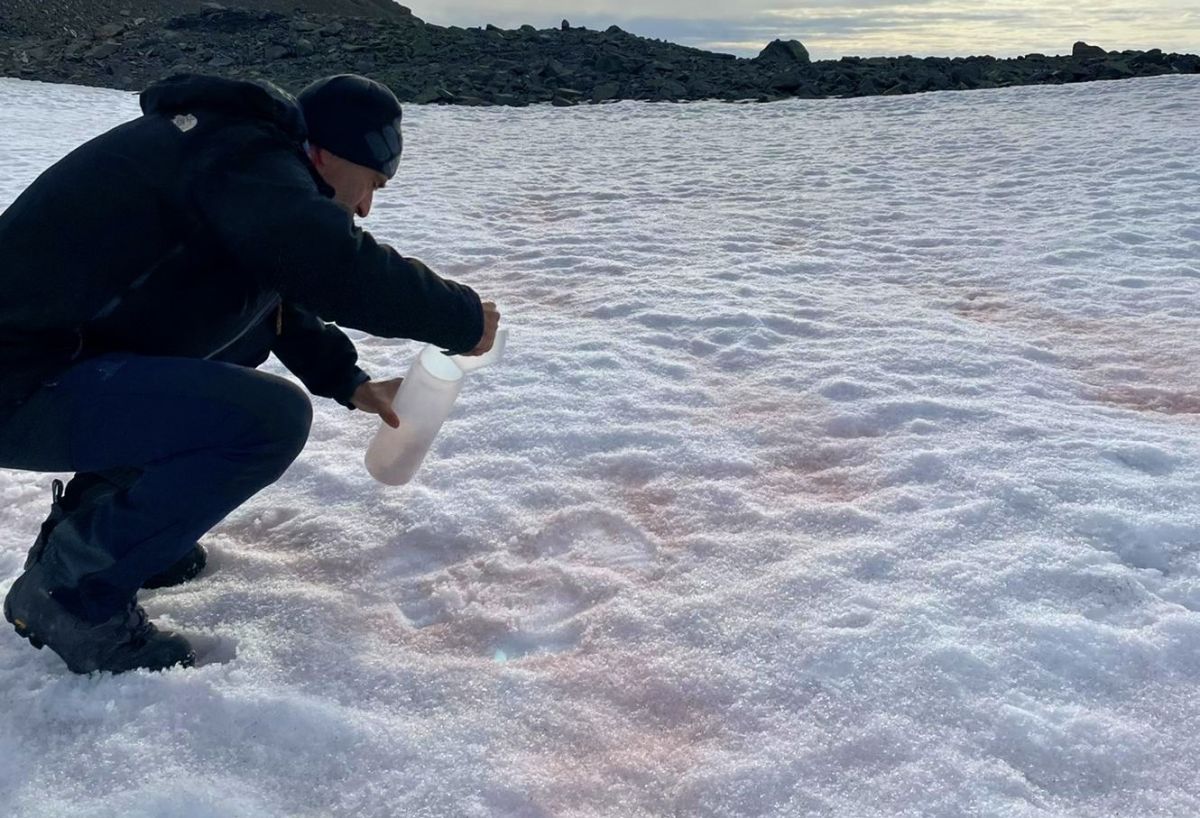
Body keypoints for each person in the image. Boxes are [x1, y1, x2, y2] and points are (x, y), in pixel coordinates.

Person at [0, 73, 500, 674]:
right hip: (20, 381)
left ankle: (118, 538)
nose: (366, 206)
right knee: (267, 421)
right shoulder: (238, 153)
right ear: (328, 154)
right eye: (372, 182)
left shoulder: (229, 159)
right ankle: (71, 591)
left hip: (39, 366)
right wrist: (461, 318)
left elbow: (270, 296)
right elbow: (326, 262)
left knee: (228, 353)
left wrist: (348, 379)